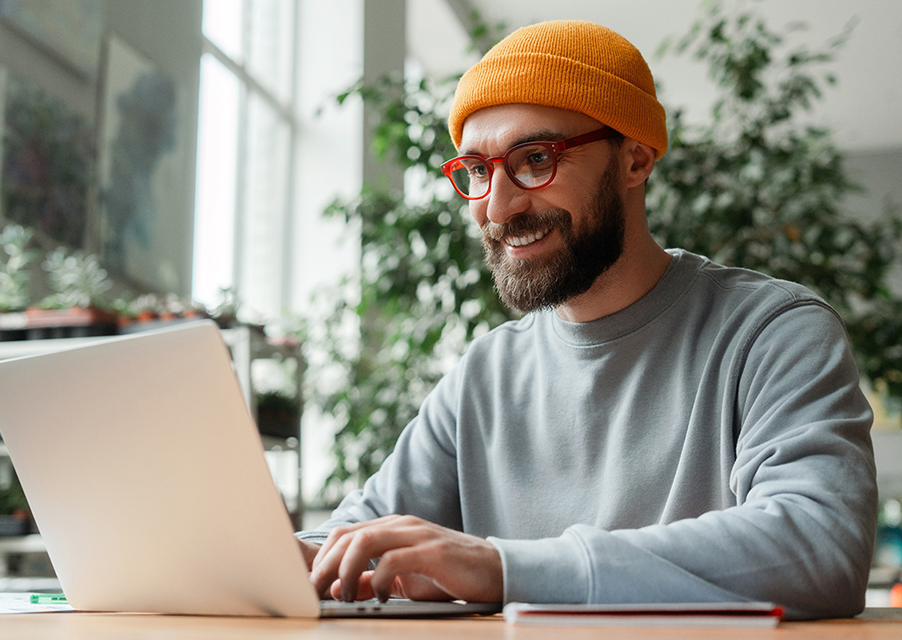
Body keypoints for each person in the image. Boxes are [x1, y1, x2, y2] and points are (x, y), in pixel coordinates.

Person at [296, 20, 877, 619]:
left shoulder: (773, 332)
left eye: (536, 158)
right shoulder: (486, 373)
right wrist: (281, 556)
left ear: (635, 160)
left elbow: (820, 543)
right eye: (477, 170)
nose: (498, 206)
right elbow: (358, 538)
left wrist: (504, 569)